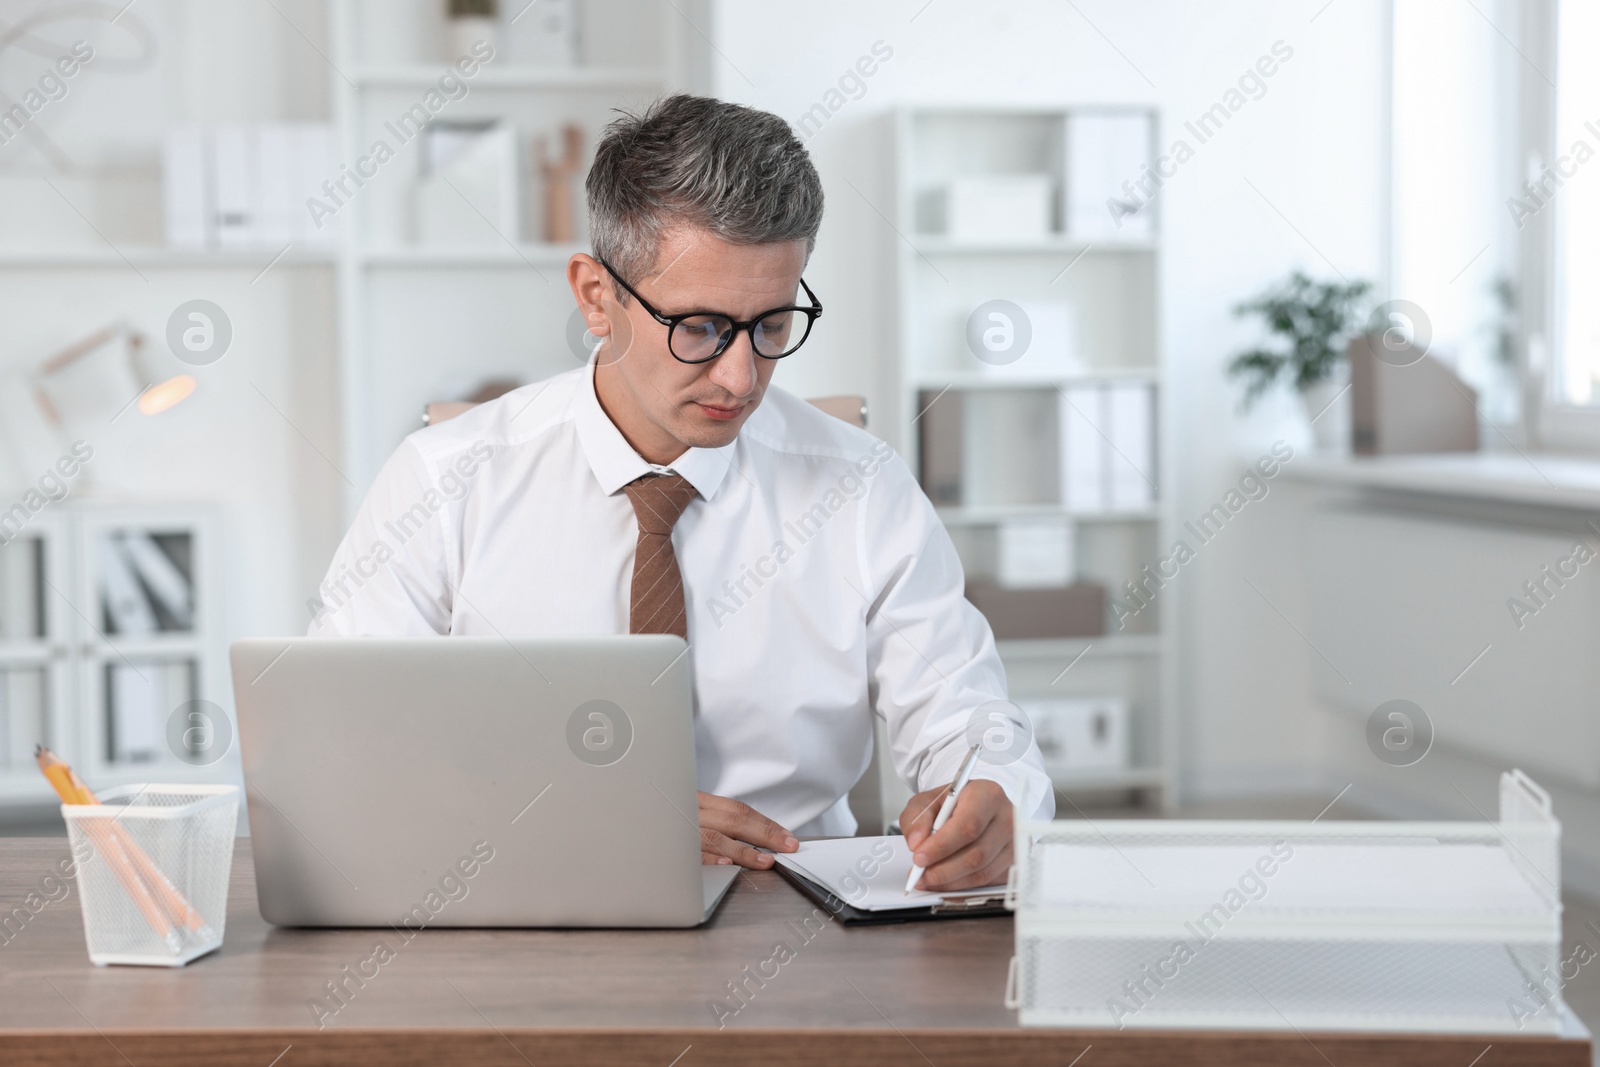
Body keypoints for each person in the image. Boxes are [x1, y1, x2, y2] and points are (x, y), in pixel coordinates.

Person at [308, 94, 1053, 891]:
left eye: (772, 325)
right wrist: (596, 817)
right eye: (699, 327)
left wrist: (997, 791)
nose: (741, 377)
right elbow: (344, 750)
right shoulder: (441, 484)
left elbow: (969, 715)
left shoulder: (861, 488)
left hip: (794, 911)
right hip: (522, 892)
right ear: (597, 298)